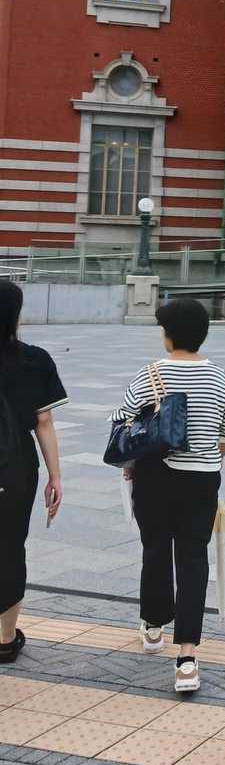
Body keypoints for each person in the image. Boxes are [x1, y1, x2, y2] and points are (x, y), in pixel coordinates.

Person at [111, 297, 225, 693]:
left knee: (155, 548)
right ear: (202, 334)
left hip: (154, 476)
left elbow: (122, 422)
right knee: (192, 558)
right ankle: (187, 658)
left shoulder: (150, 373)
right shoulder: (219, 378)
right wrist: (207, 459)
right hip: (201, 480)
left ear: (168, 336)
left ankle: (153, 628)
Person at [0, 281, 64, 665]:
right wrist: (55, 477)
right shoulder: (35, 360)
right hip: (16, 466)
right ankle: (5, 638)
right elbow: (44, 422)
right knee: (10, 547)